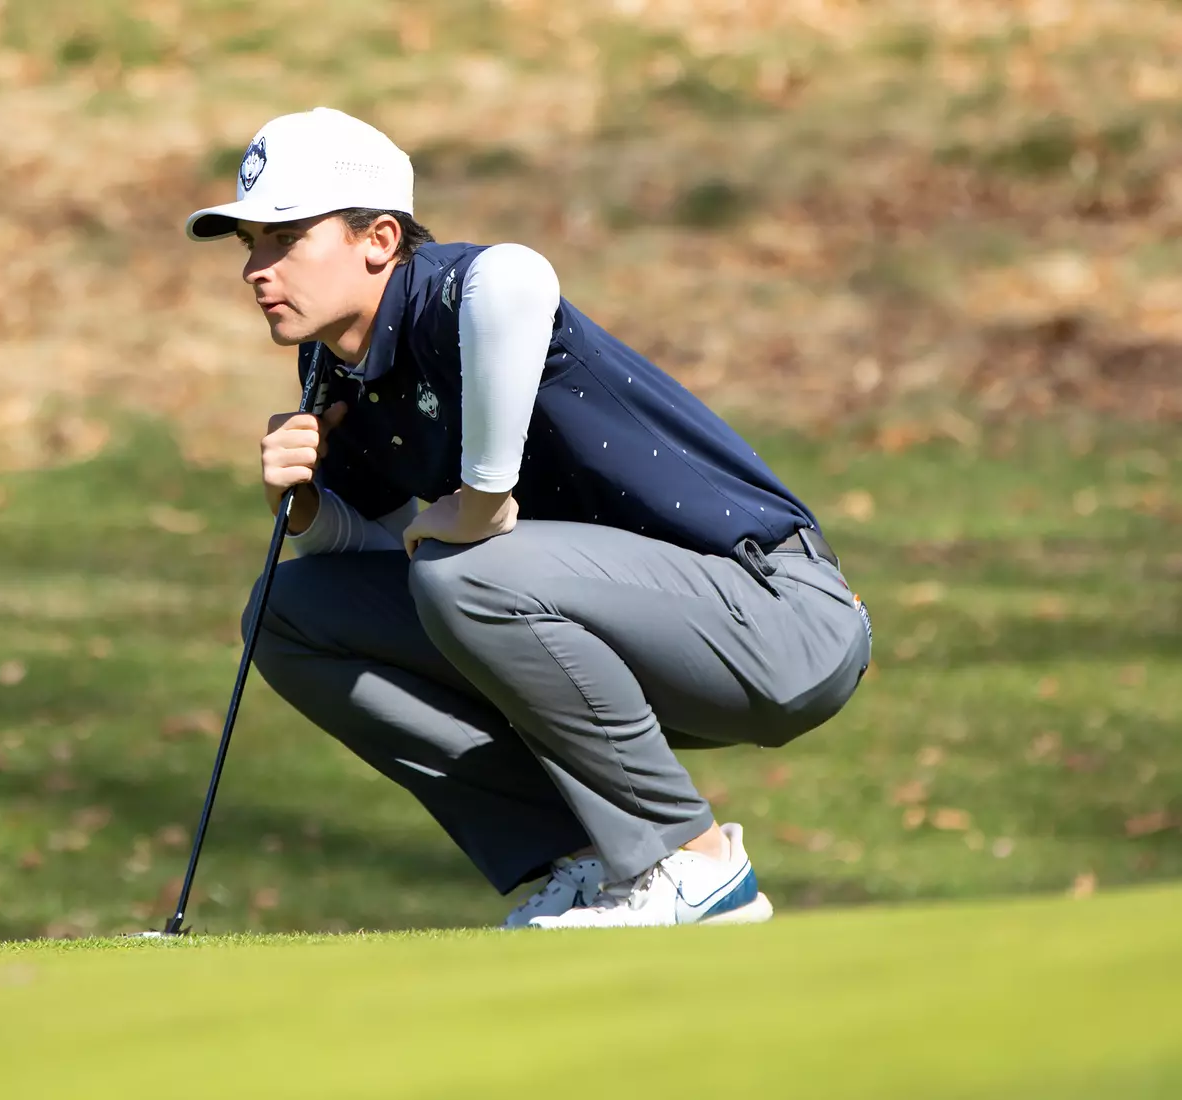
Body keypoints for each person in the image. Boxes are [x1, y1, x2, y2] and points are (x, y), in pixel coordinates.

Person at [183, 107, 872, 929]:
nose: (257, 269)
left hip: (780, 619)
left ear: (379, 241)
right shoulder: (335, 363)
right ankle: (591, 864)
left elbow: (515, 276)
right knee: (288, 612)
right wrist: (302, 511)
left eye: (284, 238)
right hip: (620, 647)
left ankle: (690, 863)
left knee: (466, 569)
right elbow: (392, 547)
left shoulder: (445, 294)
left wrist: (481, 499)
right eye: (249, 244)